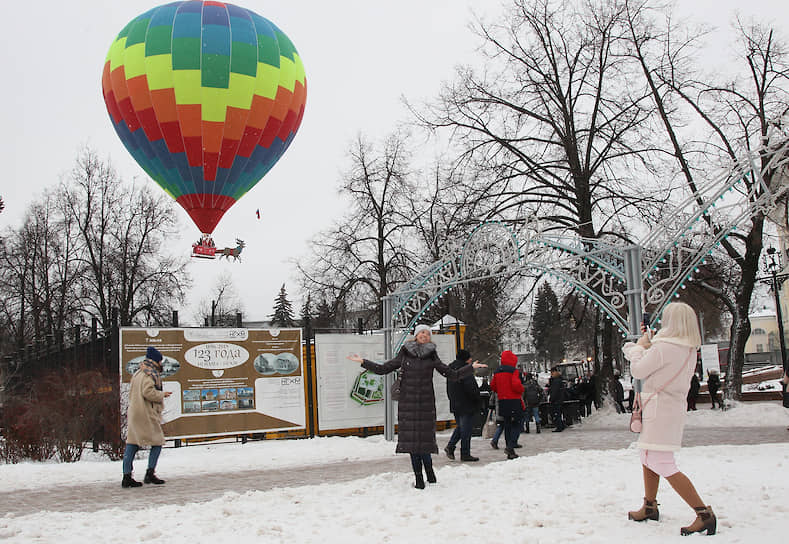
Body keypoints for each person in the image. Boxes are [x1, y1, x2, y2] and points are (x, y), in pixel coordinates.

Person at [347, 325, 487, 489]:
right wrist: (363, 362)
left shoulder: (432, 355)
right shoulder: (405, 352)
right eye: (422, 332)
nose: (424, 335)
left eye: (428, 333)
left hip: (426, 404)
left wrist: (471, 368)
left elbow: (452, 374)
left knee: (425, 442)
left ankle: (430, 474)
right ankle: (419, 478)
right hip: (408, 404)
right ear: (416, 335)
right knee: (413, 444)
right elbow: (384, 368)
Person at [622, 302, 716, 536]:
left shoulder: (664, 347)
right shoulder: (688, 349)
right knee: (647, 454)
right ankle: (650, 506)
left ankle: (703, 513)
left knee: (661, 462)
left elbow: (638, 370)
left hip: (659, 410)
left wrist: (636, 348)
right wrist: (649, 345)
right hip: (671, 410)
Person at [122, 346, 172, 488]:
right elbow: (148, 392)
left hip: (135, 412)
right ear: (155, 361)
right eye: (160, 361)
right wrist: (162, 394)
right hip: (146, 414)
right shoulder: (150, 375)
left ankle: (126, 476)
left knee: (132, 443)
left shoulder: (138, 373)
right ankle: (150, 473)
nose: (161, 364)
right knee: (157, 442)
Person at [444, 349, 482, 462]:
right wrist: (477, 399)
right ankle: (465, 453)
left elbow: (449, 388)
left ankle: (450, 447)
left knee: (461, 427)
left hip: (456, 403)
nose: (471, 359)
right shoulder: (466, 370)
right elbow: (471, 388)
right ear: (466, 359)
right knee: (466, 430)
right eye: (469, 357)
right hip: (466, 403)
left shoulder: (451, 369)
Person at [490, 350, 524, 459]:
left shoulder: (497, 371)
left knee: (507, 425)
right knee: (518, 423)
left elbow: (493, 386)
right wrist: (521, 389)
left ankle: (510, 449)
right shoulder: (514, 371)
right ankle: (510, 446)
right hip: (513, 400)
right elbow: (516, 385)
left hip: (502, 401)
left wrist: (501, 390)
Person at [548, 367, 566, 432]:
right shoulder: (558, 379)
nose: (551, 373)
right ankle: (561, 425)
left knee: (556, 413)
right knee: (557, 413)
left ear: (555, 372)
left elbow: (554, 391)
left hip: (556, 399)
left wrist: (551, 399)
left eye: (552, 372)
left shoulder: (556, 380)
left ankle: (559, 426)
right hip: (559, 399)